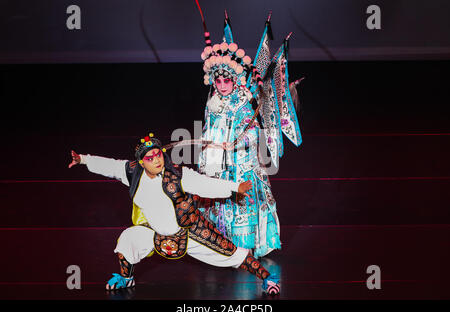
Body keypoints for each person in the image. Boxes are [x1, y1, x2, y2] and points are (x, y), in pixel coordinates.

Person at [68, 133, 280, 295]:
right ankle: (126, 277)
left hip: (188, 231)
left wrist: (235, 187)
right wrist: (83, 160)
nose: (157, 160)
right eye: (150, 158)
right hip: (155, 233)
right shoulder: (132, 173)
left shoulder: (177, 175)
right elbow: (109, 165)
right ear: (142, 162)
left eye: (158, 154)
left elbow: (205, 184)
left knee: (232, 254)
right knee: (127, 240)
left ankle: (267, 278)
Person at [195, 11, 303, 259]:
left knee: (243, 200)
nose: (222, 85)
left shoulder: (244, 102)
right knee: (216, 200)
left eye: (226, 81)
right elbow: (207, 128)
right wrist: (207, 151)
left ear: (234, 79)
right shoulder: (212, 102)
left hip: (242, 162)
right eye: (218, 81)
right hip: (217, 160)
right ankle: (221, 244)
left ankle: (247, 245)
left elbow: (253, 132)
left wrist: (234, 144)